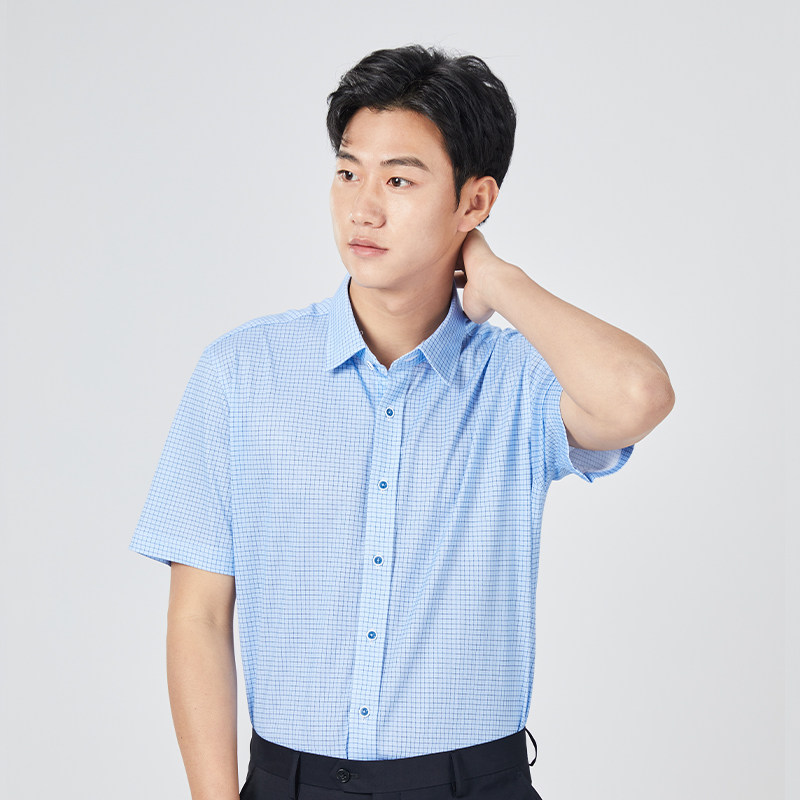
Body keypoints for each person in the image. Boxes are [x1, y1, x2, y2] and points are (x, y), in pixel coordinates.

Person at [129, 44, 674, 800]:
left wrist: (501, 281)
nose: (363, 208)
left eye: (398, 180)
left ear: (474, 203)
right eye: (348, 172)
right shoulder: (241, 374)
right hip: (290, 784)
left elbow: (638, 395)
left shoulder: (517, 382)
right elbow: (198, 617)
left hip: (472, 785)